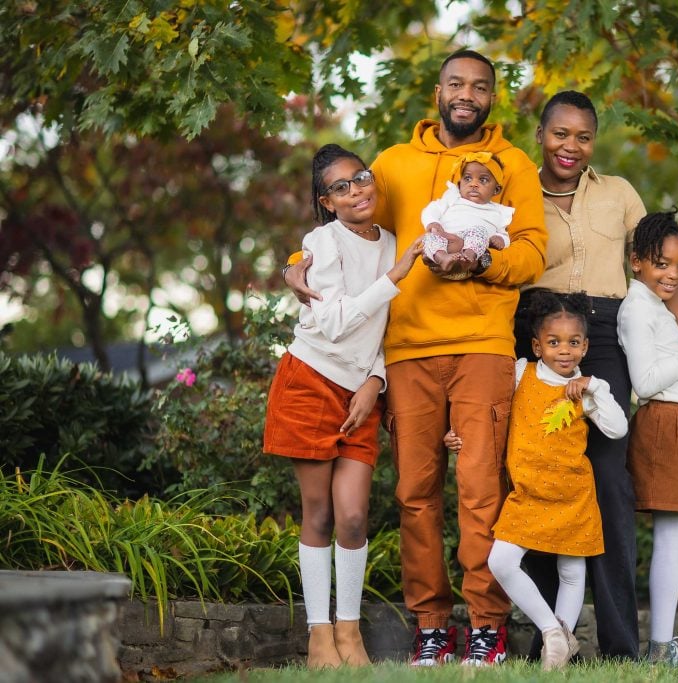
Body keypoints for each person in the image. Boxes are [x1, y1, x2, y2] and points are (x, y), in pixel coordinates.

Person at [284, 49, 547, 666]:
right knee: (415, 493)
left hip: (483, 345)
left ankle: (486, 625)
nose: (466, 95)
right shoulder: (392, 165)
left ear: (492, 97)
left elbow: (534, 252)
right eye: (456, 83)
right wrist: (296, 265)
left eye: (479, 87)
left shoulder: (515, 166)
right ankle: (431, 625)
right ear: (437, 91)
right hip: (405, 352)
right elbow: (350, 230)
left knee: (483, 490)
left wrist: (483, 261)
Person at [514, 90, 678, 660]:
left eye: (582, 136)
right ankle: (550, 639)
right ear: (541, 135)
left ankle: (624, 646)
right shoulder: (518, 189)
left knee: (610, 480)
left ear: (593, 141)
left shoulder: (620, 192)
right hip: (539, 326)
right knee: (541, 475)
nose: (570, 146)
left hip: (603, 332)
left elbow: (659, 270)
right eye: (560, 134)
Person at [263, 144, 422, 668]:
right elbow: (331, 322)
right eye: (341, 187)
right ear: (325, 201)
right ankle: (319, 637)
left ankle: (350, 633)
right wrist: (393, 278)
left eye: (361, 178)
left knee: (354, 517)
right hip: (310, 380)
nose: (357, 191)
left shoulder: (392, 241)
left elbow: (381, 329)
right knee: (320, 513)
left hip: (360, 393)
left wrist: (375, 380)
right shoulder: (319, 243)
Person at [445, 292, 627, 670]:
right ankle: (553, 631)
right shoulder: (520, 373)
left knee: (572, 571)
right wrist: (458, 433)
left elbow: (617, 428)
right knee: (501, 561)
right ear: (537, 345)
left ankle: (556, 653)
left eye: (574, 343)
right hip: (528, 495)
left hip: (573, 494)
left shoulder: (589, 389)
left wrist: (594, 387)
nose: (565, 351)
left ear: (586, 346)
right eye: (554, 342)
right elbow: (487, 411)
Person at [617, 210, 678, 672]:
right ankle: (660, 646)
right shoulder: (636, 308)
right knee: (674, 538)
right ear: (637, 262)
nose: (673, 274)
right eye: (662, 264)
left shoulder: (658, 307)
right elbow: (646, 380)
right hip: (666, 424)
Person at [421, 152, 513, 273]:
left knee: (479, 231)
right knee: (430, 237)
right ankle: (441, 257)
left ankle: (469, 255)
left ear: (496, 189)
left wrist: (500, 239)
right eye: (468, 178)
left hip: (472, 258)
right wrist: (433, 222)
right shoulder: (453, 197)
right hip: (446, 244)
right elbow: (432, 209)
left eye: (483, 180)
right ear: (459, 185)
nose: (473, 184)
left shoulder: (500, 211)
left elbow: (505, 235)